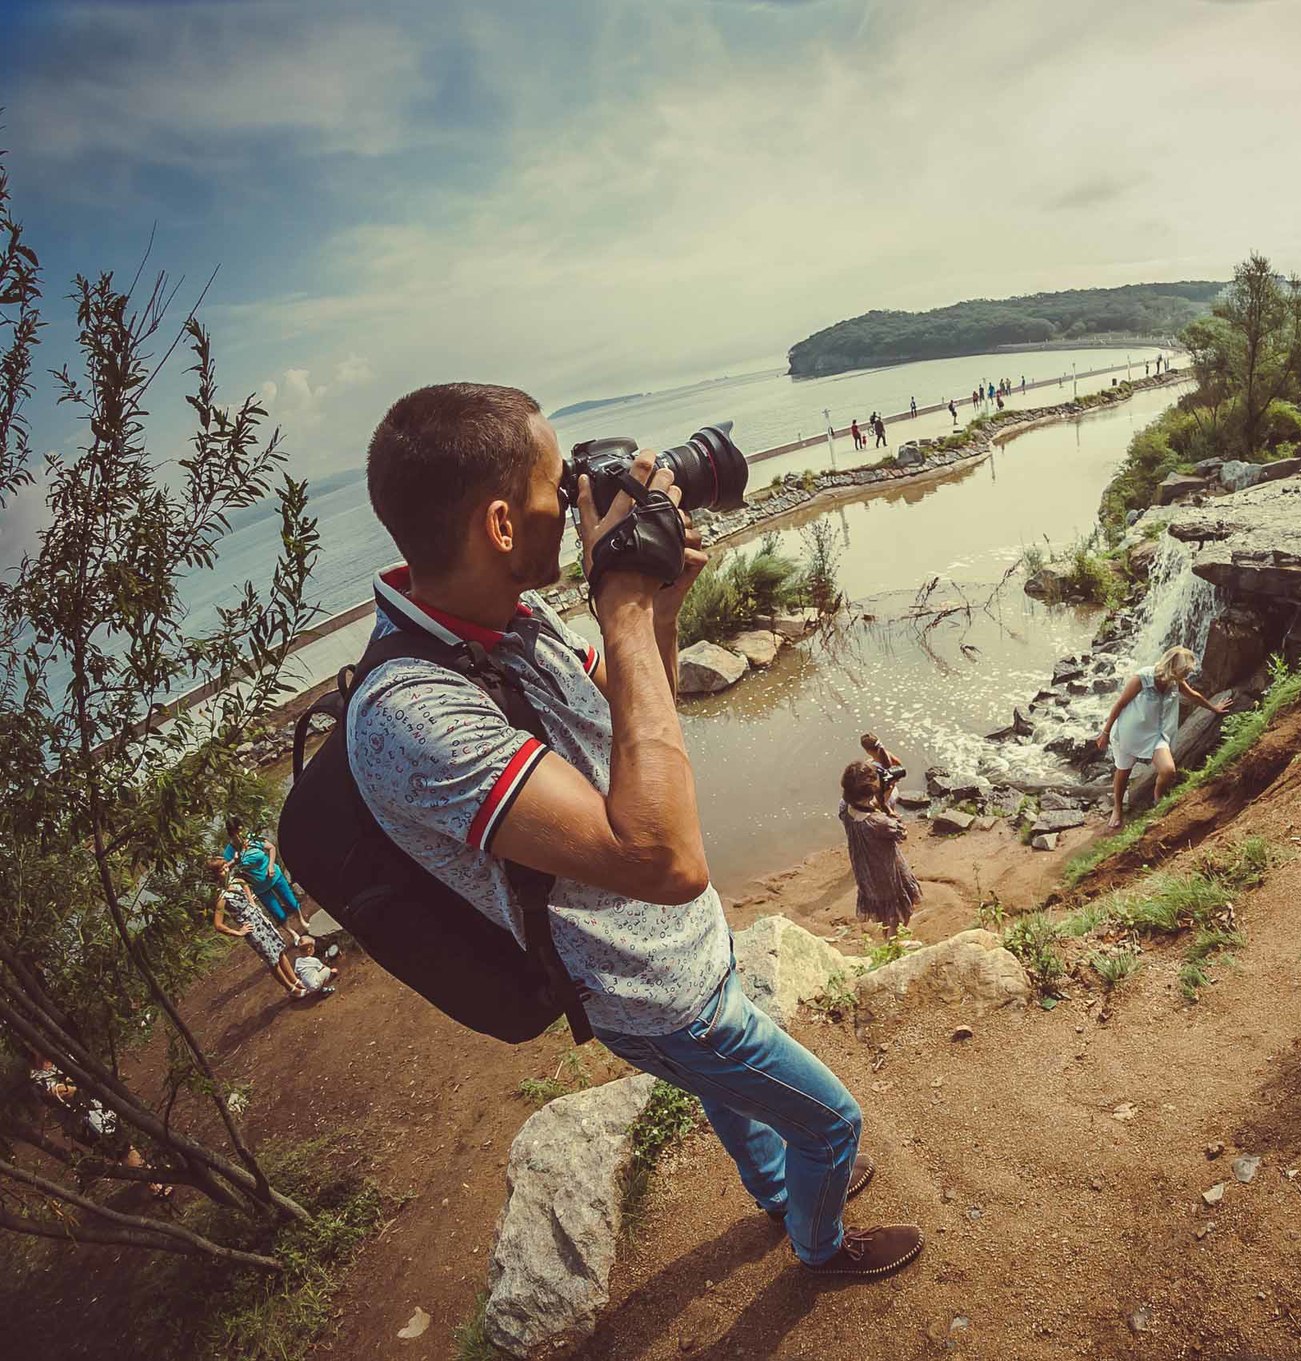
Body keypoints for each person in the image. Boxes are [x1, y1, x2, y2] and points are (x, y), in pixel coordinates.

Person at [350, 383, 919, 1278]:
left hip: (685, 956)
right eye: (558, 485)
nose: (580, 502)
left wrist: (657, 609)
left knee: (738, 1103)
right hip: (648, 988)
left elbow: (630, 725)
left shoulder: (507, 619)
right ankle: (820, 1245)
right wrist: (615, 595)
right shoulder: (410, 712)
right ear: (501, 526)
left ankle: (781, 1196)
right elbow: (665, 856)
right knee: (831, 1119)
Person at [1095, 646, 1232, 832]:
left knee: (1168, 770)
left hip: (1155, 734)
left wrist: (1213, 708)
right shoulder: (1142, 677)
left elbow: (1193, 695)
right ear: (1172, 667)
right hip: (1130, 732)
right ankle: (1117, 809)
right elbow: (1120, 704)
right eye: (1184, 672)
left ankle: (1157, 799)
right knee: (1123, 771)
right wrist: (1105, 733)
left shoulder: (1175, 681)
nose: (1185, 677)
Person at [28, 1052, 170, 1198]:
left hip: (98, 1109)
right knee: (122, 1149)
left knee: (123, 1146)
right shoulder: (37, 1078)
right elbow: (63, 1092)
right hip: (84, 1124)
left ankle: (149, 1175)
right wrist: (82, 1084)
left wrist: (84, 1082)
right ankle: (153, 1183)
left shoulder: (61, 1055)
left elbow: (84, 1072)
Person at [839, 763, 921, 933]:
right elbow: (902, 833)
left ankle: (889, 936)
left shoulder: (845, 808)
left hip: (864, 871)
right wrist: (888, 807)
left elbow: (864, 807)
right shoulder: (878, 823)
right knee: (898, 913)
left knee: (884, 912)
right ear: (871, 791)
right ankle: (893, 944)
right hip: (887, 873)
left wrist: (879, 799)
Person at [213, 862, 306, 998]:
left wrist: (252, 903)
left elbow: (247, 889)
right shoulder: (222, 898)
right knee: (271, 960)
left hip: (261, 921)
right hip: (252, 929)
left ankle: (295, 980)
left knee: (279, 950)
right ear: (215, 875)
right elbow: (218, 925)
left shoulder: (238, 881)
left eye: (226, 867)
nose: (226, 870)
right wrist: (239, 932)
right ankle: (291, 989)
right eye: (221, 870)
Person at [222, 817, 307, 936]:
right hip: (259, 887)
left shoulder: (253, 838)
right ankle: (293, 933)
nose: (240, 836)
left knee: (291, 902)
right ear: (231, 835)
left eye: (241, 831)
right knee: (278, 913)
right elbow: (225, 870)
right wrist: (234, 861)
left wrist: (271, 866)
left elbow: (271, 847)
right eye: (236, 834)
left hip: (274, 876)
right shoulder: (229, 852)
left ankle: (302, 921)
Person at [858, 731, 903, 812]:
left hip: (883, 798)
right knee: (891, 810)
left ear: (867, 751)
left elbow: (875, 792)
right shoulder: (887, 754)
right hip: (893, 792)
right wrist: (893, 780)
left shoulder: (870, 767)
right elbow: (900, 766)